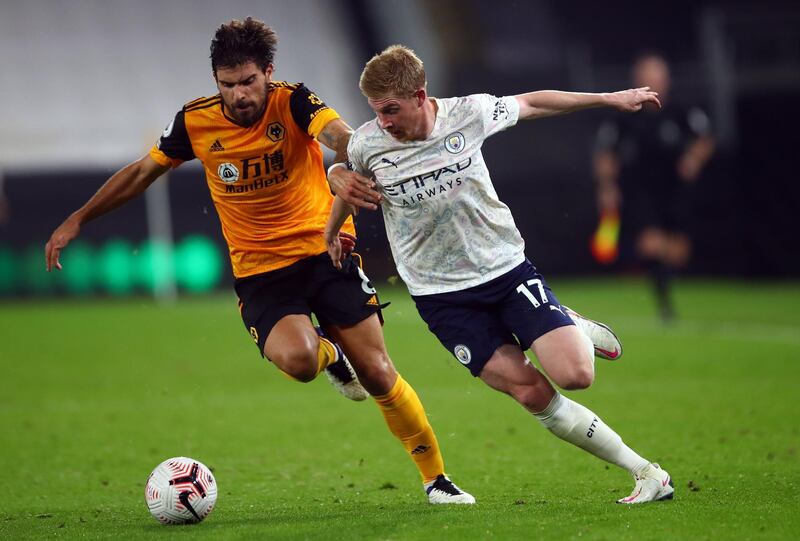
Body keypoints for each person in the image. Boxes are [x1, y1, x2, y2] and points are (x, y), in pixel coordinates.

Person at [44, 18, 474, 505]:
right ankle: (330, 355)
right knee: (300, 361)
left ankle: (436, 479)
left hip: (325, 251)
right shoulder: (195, 122)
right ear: (216, 82)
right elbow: (143, 171)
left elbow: (338, 133)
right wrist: (78, 218)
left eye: (248, 81)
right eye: (228, 84)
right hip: (260, 273)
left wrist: (347, 162)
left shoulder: (292, 100)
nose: (239, 94)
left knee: (377, 372)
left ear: (268, 72)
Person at [325, 45, 673, 504]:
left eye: (391, 110)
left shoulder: (467, 114)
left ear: (420, 95)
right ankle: (646, 473)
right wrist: (332, 229)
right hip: (441, 297)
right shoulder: (369, 143)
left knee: (576, 375)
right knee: (532, 394)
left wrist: (609, 98)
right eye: (376, 112)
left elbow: (532, 102)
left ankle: (565, 321)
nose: (384, 122)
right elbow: (349, 182)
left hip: (505, 270)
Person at [593, 53, 715, 321]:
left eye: (657, 75)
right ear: (637, 81)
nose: (652, 81)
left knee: (678, 250)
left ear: (666, 79)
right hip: (639, 190)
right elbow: (605, 154)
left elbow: (705, 138)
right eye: (646, 76)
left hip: (676, 189)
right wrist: (607, 186)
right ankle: (665, 306)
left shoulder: (682, 111)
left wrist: (693, 158)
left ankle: (668, 290)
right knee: (651, 243)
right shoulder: (623, 116)